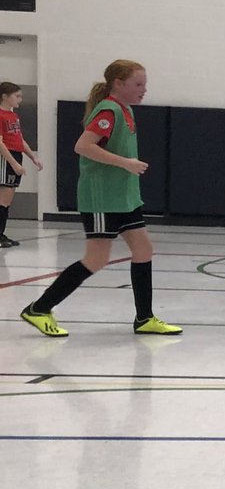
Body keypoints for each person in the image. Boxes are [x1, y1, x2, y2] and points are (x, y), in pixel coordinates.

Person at [19, 60, 181, 337]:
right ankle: (39, 308)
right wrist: (125, 163)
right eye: (138, 84)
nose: (144, 90)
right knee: (96, 259)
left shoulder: (126, 109)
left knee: (143, 249)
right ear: (118, 84)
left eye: (144, 84)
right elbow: (83, 146)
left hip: (125, 197)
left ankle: (144, 318)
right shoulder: (108, 109)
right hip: (102, 198)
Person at [0, 82, 43, 248]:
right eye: (17, 96)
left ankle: (2, 234)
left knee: (8, 199)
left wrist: (33, 157)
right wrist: (13, 163)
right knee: (3, 198)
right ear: (4, 96)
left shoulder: (13, 116)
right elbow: (1, 143)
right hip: (6, 158)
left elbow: (19, 139)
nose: (20, 99)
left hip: (16, 155)